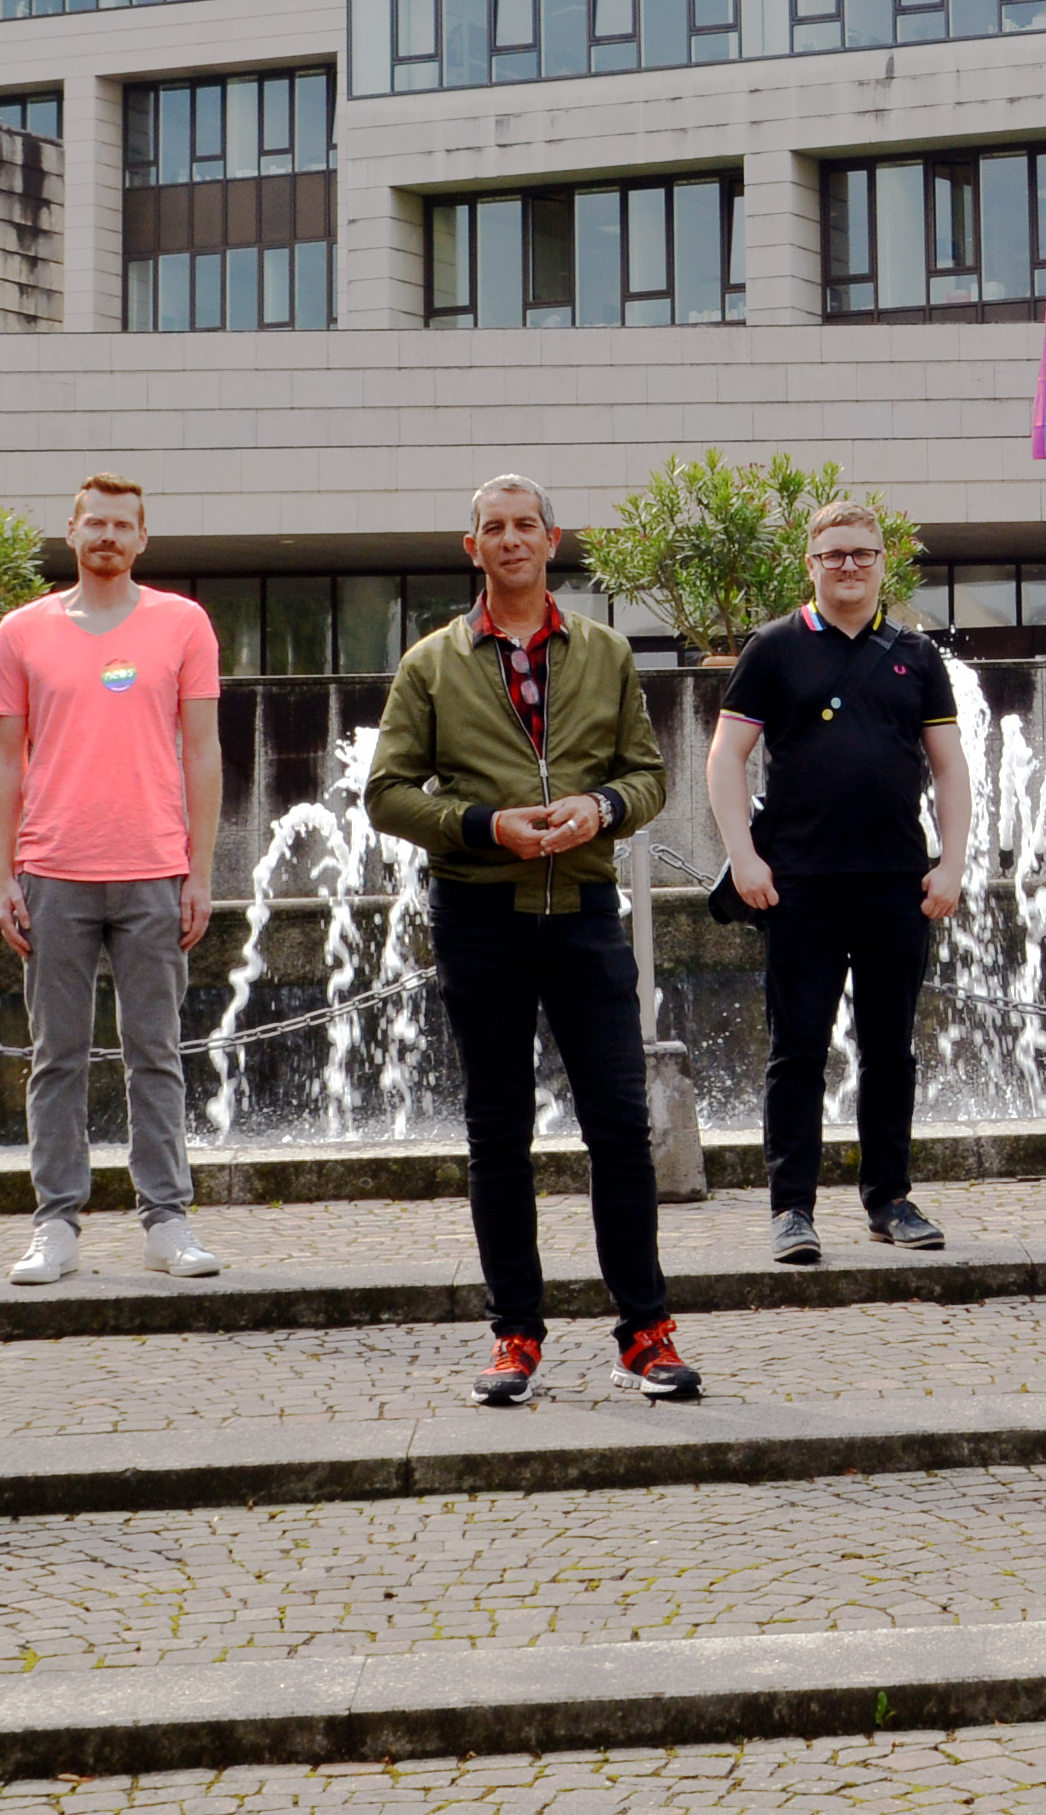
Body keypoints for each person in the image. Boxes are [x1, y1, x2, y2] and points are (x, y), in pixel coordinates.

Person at [367, 475, 693, 1404]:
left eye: (525, 526)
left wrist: (602, 808)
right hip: (480, 919)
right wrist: (485, 826)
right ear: (472, 547)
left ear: (553, 540)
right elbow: (386, 793)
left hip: (585, 915)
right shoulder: (432, 662)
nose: (510, 539)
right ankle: (514, 1334)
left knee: (620, 1129)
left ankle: (646, 1332)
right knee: (498, 1134)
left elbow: (648, 776)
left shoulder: (604, 652)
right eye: (493, 528)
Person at [709, 495, 972, 1267]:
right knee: (797, 1050)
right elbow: (726, 757)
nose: (849, 566)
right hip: (799, 883)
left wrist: (952, 862)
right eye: (834, 555)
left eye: (862, 553)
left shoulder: (916, 655)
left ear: (883, 563)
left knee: (890, 1049)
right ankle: (792, 1208)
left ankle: (889, 1200)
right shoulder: (773, 648)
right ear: (812, 564)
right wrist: (744, 856)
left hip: (897, 882)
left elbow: (950, 768)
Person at [0, 475, 225, 1287]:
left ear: (142, 538)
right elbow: (3, 763)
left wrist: (200, 871)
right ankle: (55, 1225)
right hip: (53, 871)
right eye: (96, 523)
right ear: (72, 530)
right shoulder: (22, 632)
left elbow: (203, 751)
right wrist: (3, 875)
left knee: (156, 1054)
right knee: (56, 1057)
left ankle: (167, 1222)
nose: (108, 536)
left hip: (155, 869)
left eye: (123, 525)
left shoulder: (182, 623)